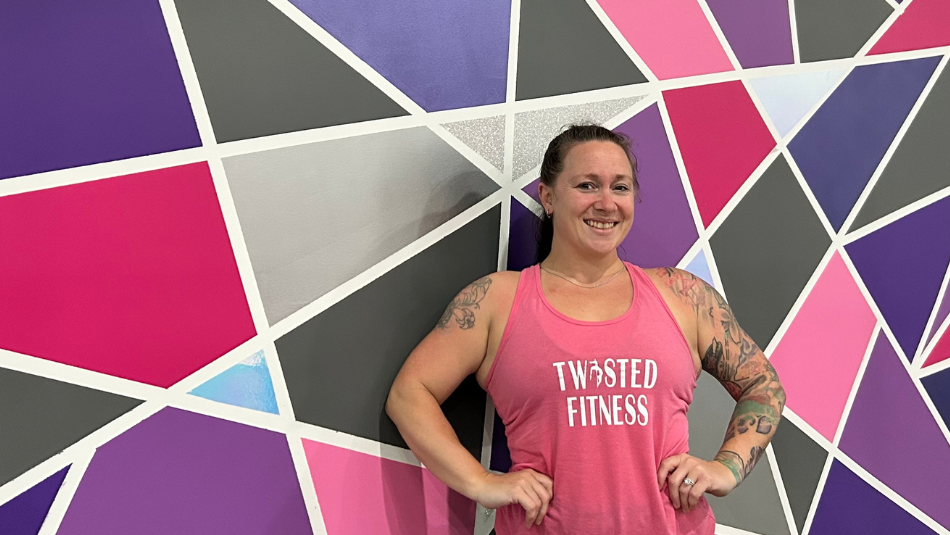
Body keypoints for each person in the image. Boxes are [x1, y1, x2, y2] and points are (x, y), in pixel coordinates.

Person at [386, 124, 786, 534]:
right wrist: (481, 482)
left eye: (621, 187)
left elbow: (764, 386)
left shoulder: (683, 296)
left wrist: (727, 468)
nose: (606, 203)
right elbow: (409, 395)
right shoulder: (496, 301)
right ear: (548, 196)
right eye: (587, 185)